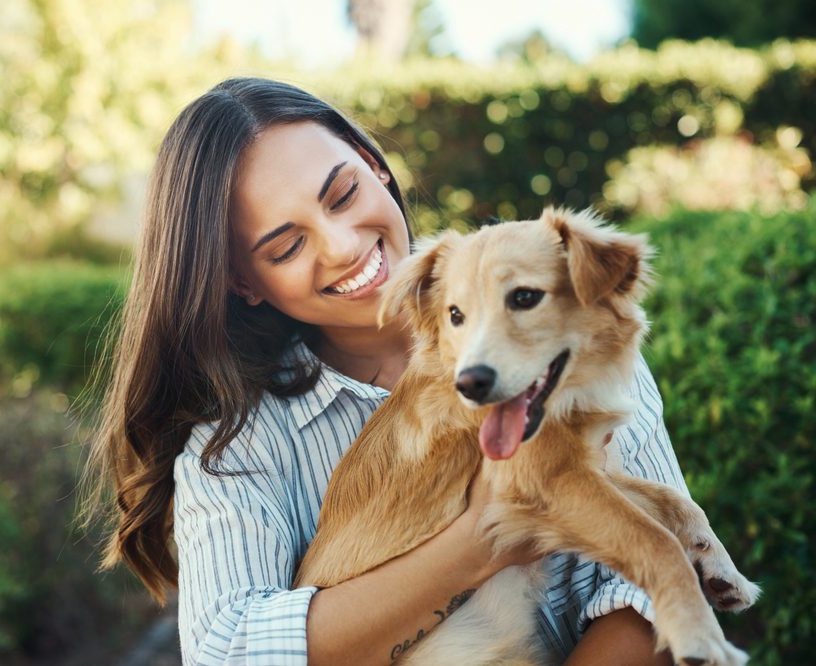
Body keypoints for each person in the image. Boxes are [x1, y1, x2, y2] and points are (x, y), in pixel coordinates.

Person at [83, 77, 688, 665]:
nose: (342, 246)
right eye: (285, 247)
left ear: (376, 166)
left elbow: (655, 598)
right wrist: (480, 538)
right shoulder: (237, 446)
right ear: (244, 283)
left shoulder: (565, 330)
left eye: (342, 195)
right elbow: (230, 651)